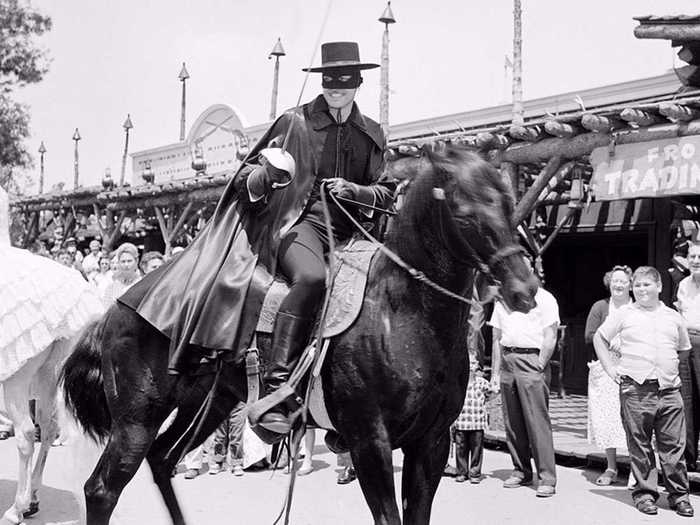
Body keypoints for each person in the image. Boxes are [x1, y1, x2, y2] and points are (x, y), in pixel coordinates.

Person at [118, 41, 394, 440]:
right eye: (330, 80)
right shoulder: (294, 122)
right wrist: (267, 175)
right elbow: (247, 174)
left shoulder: (372, 133)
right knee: (313, 279)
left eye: (345, 81)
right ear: (322, 81)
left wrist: (355, 191)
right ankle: (278, 386)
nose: (337, 88)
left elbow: (386, 192)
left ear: (358, 83)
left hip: (354, 234)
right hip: (299, 226)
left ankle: (351, 403)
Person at [594, 266, 694, 517]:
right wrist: (609, 368)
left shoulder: (673, 317)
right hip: (636, 389)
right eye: (637, 285)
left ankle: (679, 496)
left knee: (673, 447)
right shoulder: (624, 314)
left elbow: (684, 349)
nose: (641, 289)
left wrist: (667, 370)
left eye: (647, 284)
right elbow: (599, 338)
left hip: (669, 390)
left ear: (659, 287)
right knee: (639, 446)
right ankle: (645, 494)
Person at [489, 260, 559, 498]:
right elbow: (496, 337)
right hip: (508, 358)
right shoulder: (502, 300)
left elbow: (551, 334)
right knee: (513, 421)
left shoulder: (545, 298)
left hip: (532, 359)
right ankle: (521, 470)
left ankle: (547, 477)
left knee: (536, 421)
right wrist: (495, 372)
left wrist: (540, 362)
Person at [585, 265, 632, 486]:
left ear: (630, 284)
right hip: (607, 367)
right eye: (615, 281)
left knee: (635, 418)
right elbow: (590, 335)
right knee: (608, 418)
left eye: (623, 281)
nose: (619, 284)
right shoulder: (600, 307)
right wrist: (611, 345)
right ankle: (611, 466)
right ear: (609, 283)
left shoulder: (637, 307)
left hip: (633, 367)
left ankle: (637, 469)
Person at [676, 242, 700, 472]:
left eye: (699, 256)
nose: (695, 260)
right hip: (686, 342)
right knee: (687, 400)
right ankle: (689, 458)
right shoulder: (683, 284)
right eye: (692, 256)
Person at [453, 357, 491, 484]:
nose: (471, 365)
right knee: (460, 448)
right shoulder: (458, 382)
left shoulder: (482, 383)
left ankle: (475, 473)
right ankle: (461, 472)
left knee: (476, 448)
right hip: (462, 421)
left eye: (474, 362)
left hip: (477, 422)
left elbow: (492, 393)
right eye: (469, 362)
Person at [101, 243, 141, 307]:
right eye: (123, 261)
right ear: (119, 263)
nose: (126, 265)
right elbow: (106, 310)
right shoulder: (112, 287)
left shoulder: (142, 283)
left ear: (136, 261)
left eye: (129, 261)